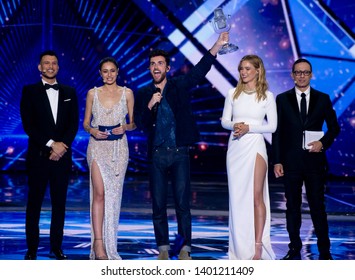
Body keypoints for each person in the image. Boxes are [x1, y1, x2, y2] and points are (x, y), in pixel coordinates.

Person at [134, 32, 228, 260]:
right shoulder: (144, 92)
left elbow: (199, 71)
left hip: (179, 153)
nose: (156, 67)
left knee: (182, 204)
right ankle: (164, 248)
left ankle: (185, 247)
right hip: (157, 155)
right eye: (153, 64)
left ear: (167, 67)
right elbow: (140, 124)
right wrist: (149, 105)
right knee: (158, 204)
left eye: (160, 64)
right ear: (149, 69)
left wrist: (216, 45)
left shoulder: (179, 85)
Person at [272, 58, 340, 260]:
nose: (302, 75)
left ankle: (324, 251)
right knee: (292, 207)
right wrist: (277, 160)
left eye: (305, 72)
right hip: (290, 162)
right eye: (298, 72)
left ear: (311, 75)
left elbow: (334, 128)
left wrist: (323, 142)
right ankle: (294, 249)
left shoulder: (323, 98)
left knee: (317, 206)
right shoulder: (282, 99)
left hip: (314, 161)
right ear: (292, 75)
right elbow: (277, 133)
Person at [20, 50, 79, 260]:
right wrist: (51, 144)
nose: (50, 66)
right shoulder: (29, 91)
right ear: (39, 67)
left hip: (61, 158)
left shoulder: (69, 91)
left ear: (58, 67)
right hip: (38, 157)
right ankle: (32, 249)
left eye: (54, 63)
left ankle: (56, 247)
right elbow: (29, 125)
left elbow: (73, 124)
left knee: (59, 204)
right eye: (46, 63)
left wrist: (61, 147)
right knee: (34, 204)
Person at [221, 55, 277, 260]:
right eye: (241, 69)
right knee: (237, 198)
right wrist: (235, 125)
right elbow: (225, 121)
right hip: (235, 147)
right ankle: (239, 246)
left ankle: (258, 245)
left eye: (247, 68)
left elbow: (272, 126)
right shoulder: (232, 93)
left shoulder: (266, 96)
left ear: (257, 70)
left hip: (255, 146)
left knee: (256, 196)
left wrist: (249, 128)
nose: (243, 72)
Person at [83, 57, 136, 260]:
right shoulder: (92, 94)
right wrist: (93, 131)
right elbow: (86, 123)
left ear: (118, 71)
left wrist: (125, 127)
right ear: (100, 73)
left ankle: (110, 243)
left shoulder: (127, 93)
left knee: (113, 198)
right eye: (105, 71)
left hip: (118, 149)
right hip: (97, 147)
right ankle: (98, 244)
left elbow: (134, 123)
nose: (109, 75)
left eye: (112, 71)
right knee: (99, 194)